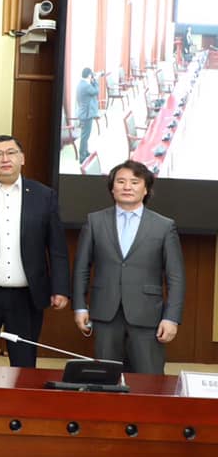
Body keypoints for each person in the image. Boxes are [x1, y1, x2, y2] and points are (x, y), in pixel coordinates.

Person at [0, 135, 70, 367]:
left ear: (22, 158)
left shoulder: (44, 195)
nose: (5, 159)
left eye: (11, 153)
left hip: (27, 296)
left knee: (24, 363)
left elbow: (57, 247)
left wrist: (60, 288)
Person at [72, 160, 185, 374]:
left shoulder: (163, 226)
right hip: (105, 313)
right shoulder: (95, 221)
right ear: (112, 188)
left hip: (147, 315)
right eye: (121, 181)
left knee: (149, 380)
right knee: (105, 378)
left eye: (134, 182)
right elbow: (81, 268)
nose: (127, 187)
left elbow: (176, 277)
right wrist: (79, 306)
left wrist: (171, 318)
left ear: (146, 189)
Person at [76, 67, 99, 164]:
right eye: (91, 74)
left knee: (85, 135)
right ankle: (82, 157)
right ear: (89, 75)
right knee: (85, 136)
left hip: (84, 113)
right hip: (86, 115)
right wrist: (95, 81)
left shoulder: (81, 84)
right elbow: (96, 91)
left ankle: (85, 152)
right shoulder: (86, 86)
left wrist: (92, 81)